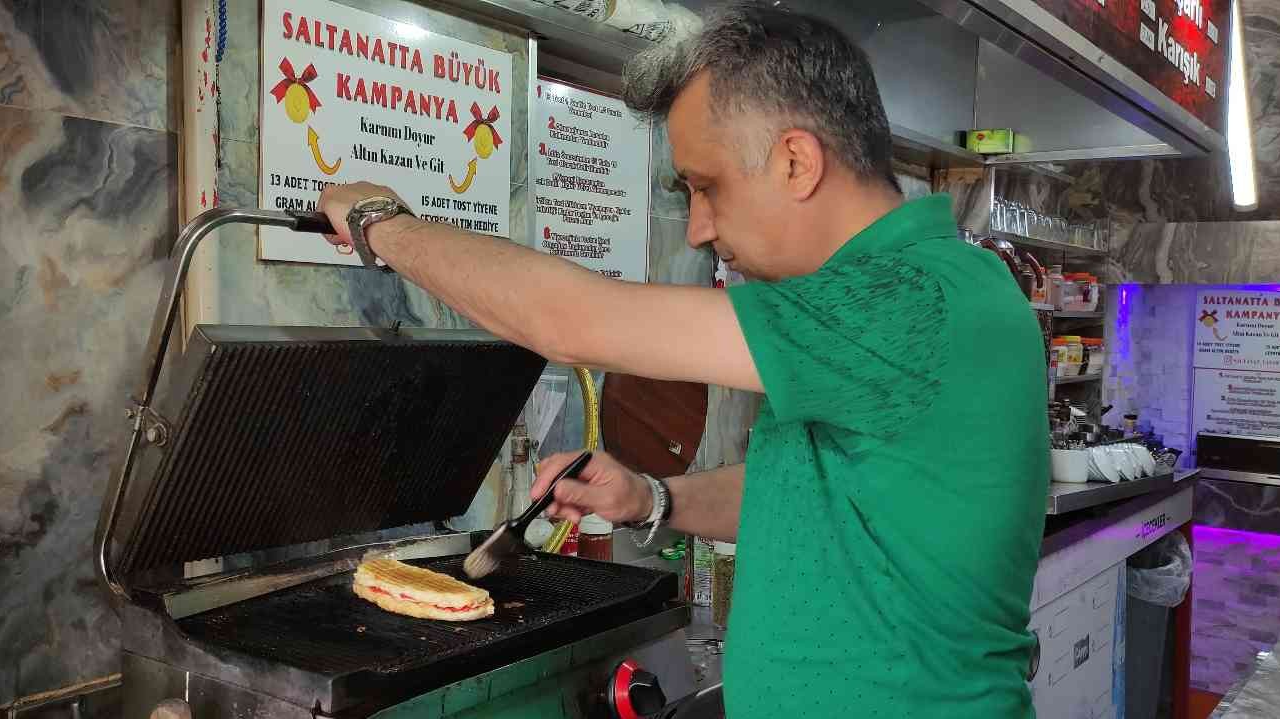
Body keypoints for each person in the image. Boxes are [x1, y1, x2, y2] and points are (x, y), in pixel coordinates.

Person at [317, 2, 1047, 715]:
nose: (697, 229)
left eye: (707, 187)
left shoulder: (907, 299)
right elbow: (820, 498)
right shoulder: (903, 294)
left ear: (796, 161)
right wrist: (651, 498)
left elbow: (572, 320)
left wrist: (381, 224)